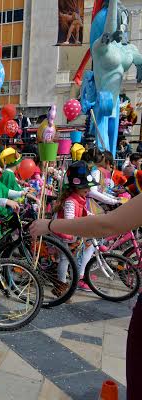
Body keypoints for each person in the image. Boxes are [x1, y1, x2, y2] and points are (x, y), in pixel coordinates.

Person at [30, 185, 142, 400]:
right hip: (70, 237)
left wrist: (50, 225)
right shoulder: (72, 200)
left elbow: (107, 223)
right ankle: (64, 281)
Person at [52, 161, 98, 293]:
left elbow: (83, 211)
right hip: (62, 232)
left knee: (70, 257)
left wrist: (92, 216)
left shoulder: (79, 198)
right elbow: (69, 220)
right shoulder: (71, 201)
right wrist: (84, 221)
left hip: (70, 233)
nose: (88, 190)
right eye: (86, 188)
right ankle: (60, 286)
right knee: (65, 259)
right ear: (76, 188)